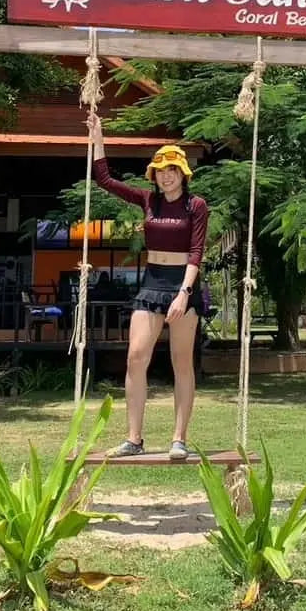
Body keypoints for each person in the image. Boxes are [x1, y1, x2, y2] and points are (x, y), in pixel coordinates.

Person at [86, 112, 209, 459]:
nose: (166, 175)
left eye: (172, 169)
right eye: (160, 170)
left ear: (182, 173)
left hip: (183, 285)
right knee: (136, 357)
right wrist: (98, 136)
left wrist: (184, 294)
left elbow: (197, 251)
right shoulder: (148, 200)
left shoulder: (195, 205)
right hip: (152, 282)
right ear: (153, 175)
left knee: (181, 362)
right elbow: (105, 179)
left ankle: (179, 438)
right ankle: (134, 439)